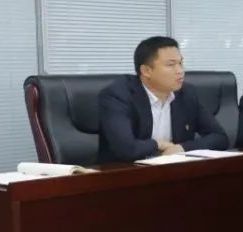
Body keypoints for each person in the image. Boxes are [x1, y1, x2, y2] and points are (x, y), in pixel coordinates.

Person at [97, 36, 228, 162]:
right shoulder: (118, 96)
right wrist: (158, 144)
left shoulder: (187, 94)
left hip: (173, 170)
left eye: (180, 63)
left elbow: (220, 138)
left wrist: (181, 148)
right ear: (146, 71)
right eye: (171, 65)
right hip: (125, 173)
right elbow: (126, 149)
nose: (180, 71)